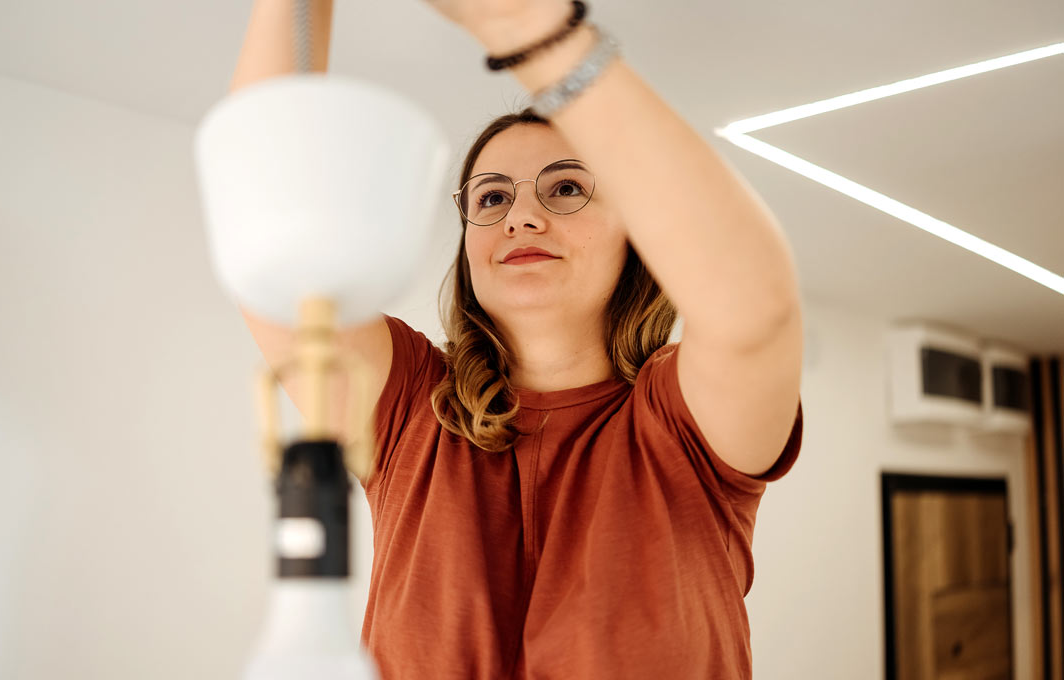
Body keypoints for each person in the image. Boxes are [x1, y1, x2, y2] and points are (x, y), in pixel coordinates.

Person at [232, 1, 805, 678]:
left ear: (635, 234)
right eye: (492, 198)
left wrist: (530, 32)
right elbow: (266, 238)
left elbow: (756, 310)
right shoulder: (408, 407)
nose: (522, 216)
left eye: (565, 187)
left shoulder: (687, 427)